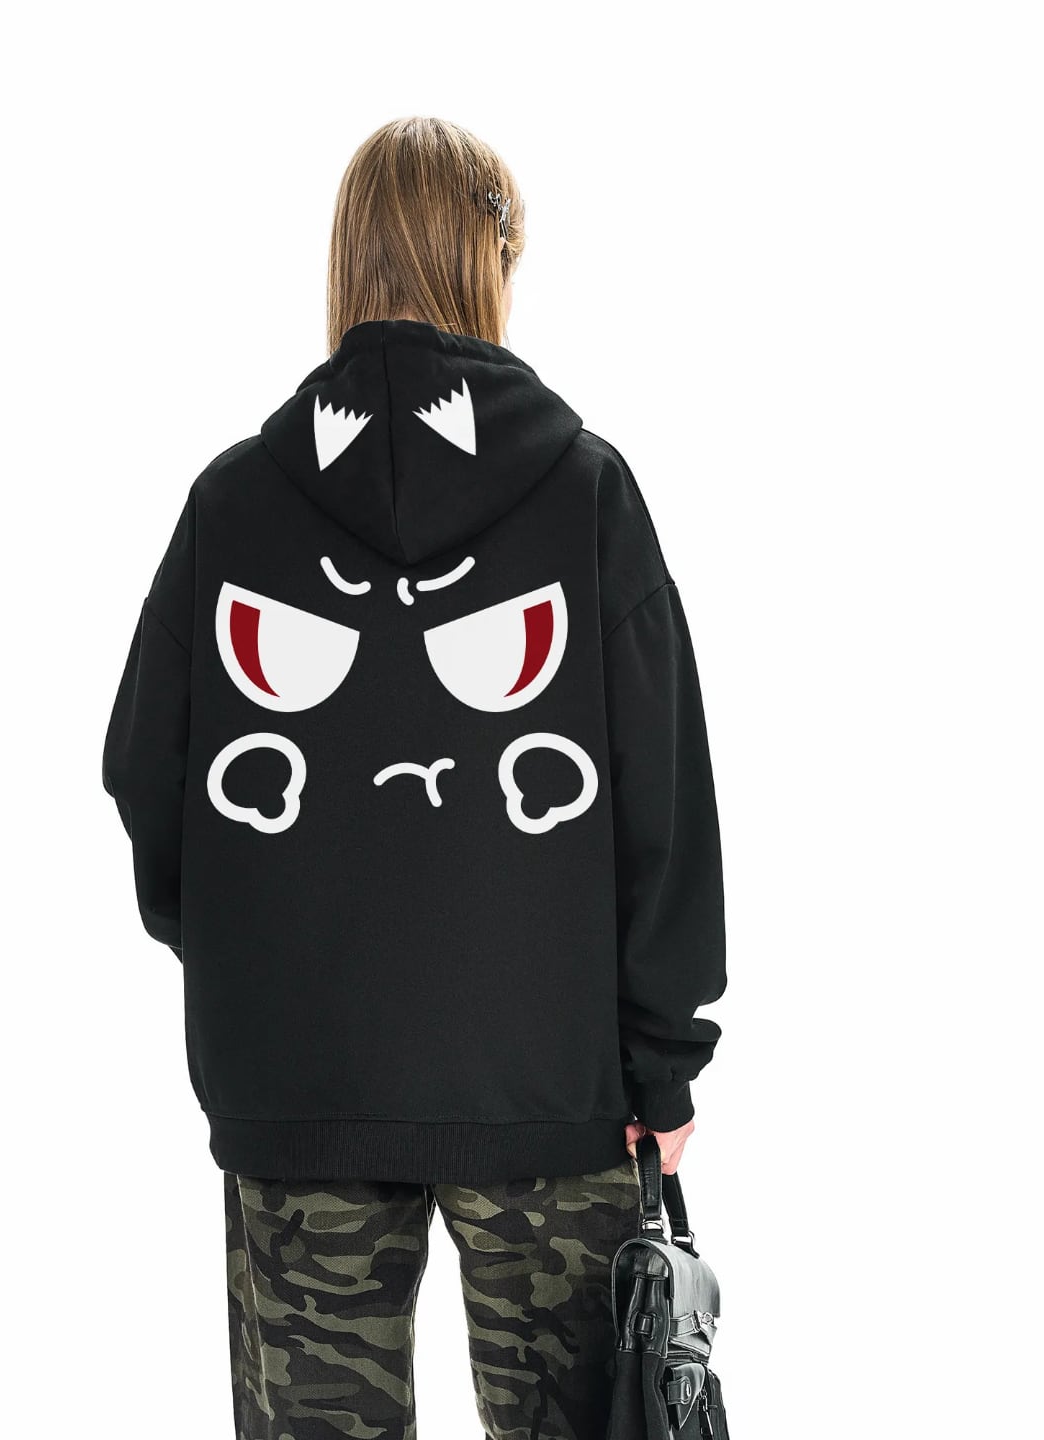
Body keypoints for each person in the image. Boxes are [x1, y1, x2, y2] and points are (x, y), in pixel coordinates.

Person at [103, 116, 726, 1440]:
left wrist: (254, 946)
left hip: (298, 1082)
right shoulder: (585, 493)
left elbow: (146, 777)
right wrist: (662, 1064)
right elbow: (665, 800)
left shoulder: (234, 506)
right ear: (490, 265)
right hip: (546, 1087)